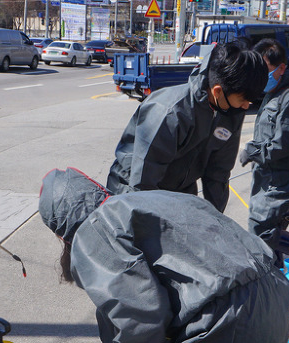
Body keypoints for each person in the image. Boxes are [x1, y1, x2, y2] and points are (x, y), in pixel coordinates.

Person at [39, 168, 289, 343]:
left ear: (61, 231)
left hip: (227, 321)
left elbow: (141, 315)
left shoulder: (93, 228)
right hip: (276, 296)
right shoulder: (153, 200)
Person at [106, 40, 267, 213]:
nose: (246, 106)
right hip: (131, 192)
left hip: (180, 191)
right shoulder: (171, 112)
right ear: (218, 91)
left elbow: (218, 173)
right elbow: (143, 180)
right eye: (243, 100)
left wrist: (215, 220)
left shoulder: (231, 113)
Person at [239, 38, 289, 273]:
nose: (258, 76)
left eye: (263, 70)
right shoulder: (272, 94)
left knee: (261, 231)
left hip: (285, 179)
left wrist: (253, 151)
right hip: (268, 178)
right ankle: (272, 281)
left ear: (282, 68)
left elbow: (285, 144)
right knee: (266, 232)